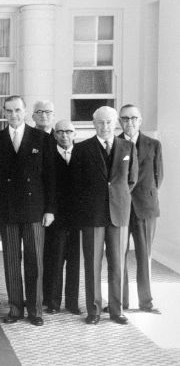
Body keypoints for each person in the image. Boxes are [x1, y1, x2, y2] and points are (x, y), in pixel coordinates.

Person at [0, 95, 55, 326]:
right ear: (4, 113)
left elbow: (50, 177)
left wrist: (50, 209)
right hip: (7, 211)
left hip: (34, 210)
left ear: (25, 112)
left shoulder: (42, 138)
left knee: (35, 261)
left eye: (17, 110)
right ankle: (15, 308)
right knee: (11, 261)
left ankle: (35, 310)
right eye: (9, 111)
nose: (13, 115)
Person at [70, 106, 137, 325]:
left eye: (109, 122)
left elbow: (131, 181)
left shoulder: (128, 147)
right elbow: (76, 185)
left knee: (117, 264)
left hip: (119, 214)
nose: (105, 126)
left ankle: (116, 310)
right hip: (92, 215)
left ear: (116, 122)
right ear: (93, 123)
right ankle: (94, 310)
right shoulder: (81, 149)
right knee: (92, 264)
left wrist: (118, 199)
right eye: (101, 122)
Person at [119, 104, 163, 313]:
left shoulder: (154, 144)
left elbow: (158, 176)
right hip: (120, 208)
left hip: (146, 207)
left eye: (134, 118)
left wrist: (145, 196)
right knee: (118, 255)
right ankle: (120, 301)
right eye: (125, 118)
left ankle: (146, 302)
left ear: (140, 120)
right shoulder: (115, 142)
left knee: (144, 256)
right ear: (120, 121)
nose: (130, 122)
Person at [42, 119, 81, 315]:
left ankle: (72, 303)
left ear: (75, 134)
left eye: (69, 131)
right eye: (60, 132)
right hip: (55, 218)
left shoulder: (82, 154)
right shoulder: (47, 156)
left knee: (74, 262)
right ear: (55, 135)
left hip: (77, 219)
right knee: (54, 260)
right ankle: (53, 302)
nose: (64, 135)